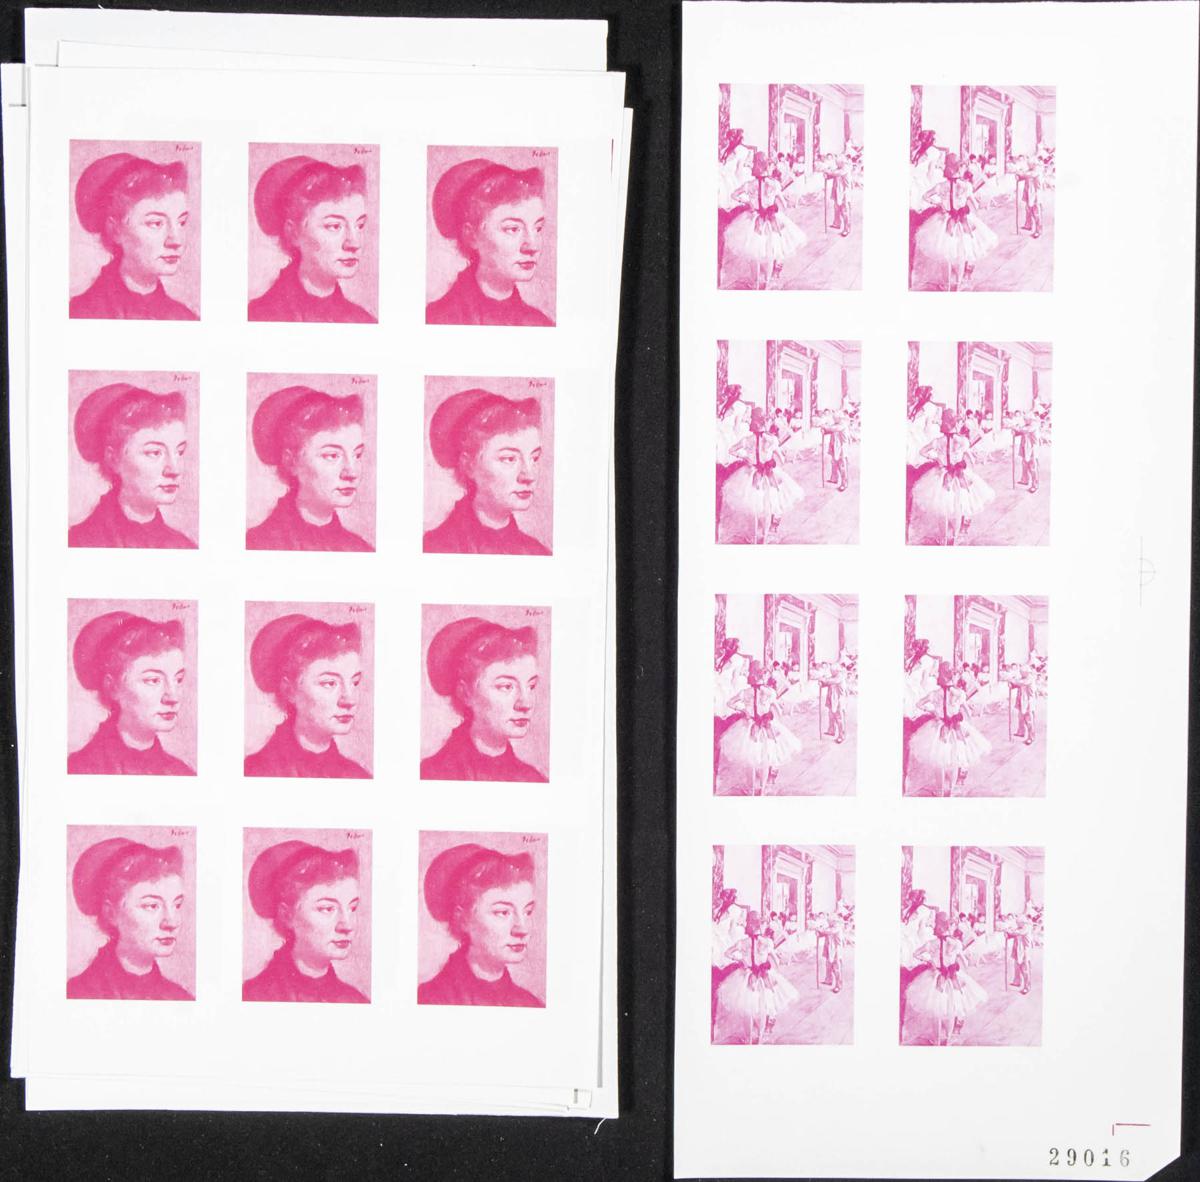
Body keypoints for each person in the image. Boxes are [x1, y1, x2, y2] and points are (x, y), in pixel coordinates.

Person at [426, 157, 553, 326]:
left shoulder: (540, 324)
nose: (533, 246)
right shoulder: (437, 318)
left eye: (538, 229)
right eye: (513, 229)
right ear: (471, 236)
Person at [70, 151, 198, 320]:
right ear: (115, 230)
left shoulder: (185, 318)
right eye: (156, 223)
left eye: (181, 222)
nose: (176, 240)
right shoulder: (80, 313)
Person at [248, 155, 375, 323]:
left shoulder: (363, 321)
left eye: (360, 225)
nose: (354, 243)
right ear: (293, 233)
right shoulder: (258, 315)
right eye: (334, 226)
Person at [68, 382, 196, 549]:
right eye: (154, 453)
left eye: (179, 452)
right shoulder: (79, 541)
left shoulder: (184, 546)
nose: (175, 470)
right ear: (113, 459)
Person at [423, 388, 549, 555]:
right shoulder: (435, 547)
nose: (529, 476)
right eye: (509, 459)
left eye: (534, 458)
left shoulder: (537, 552)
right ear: (468, 465)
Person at [420, 616, 547, 782]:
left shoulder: (533, 779)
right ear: (465, 694)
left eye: (531, 686)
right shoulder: (431, 774)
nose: (526, 703)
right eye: (506, 686)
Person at [418, 841, 544, 1007]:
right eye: (503, 912)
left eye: (528, 912)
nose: (523, 929)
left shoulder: (530, 1004)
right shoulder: (430, 998)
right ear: (462, 919)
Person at [246, 385, 371, 552]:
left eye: (357, 455)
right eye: (332, 455)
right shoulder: (257, 543)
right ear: (291, 462)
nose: (352, 473)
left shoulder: (360, 549)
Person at [244, 613, 370, 778]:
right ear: (289, 691)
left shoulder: (357, 776)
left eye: (355, 682)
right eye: (329, 683)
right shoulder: (255, 771)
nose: (350, 700)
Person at [68, 610, 194, 775]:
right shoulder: (79, 768)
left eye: (178, 680)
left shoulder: (181, 773)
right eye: (153, 680)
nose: (173, 697)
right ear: (112, 688)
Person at [242, 840, 368, 1002]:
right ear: (287, 916)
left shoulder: (355, 1000)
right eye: (327, 909)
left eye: (352, 908)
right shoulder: (254, 995)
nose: (347, 925)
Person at [67, 838, 193, 999]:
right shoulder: (79, 992)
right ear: (111, 914)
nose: (172, 922)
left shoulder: (180, 997)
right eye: (152, 906)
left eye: (177, 905)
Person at [914, 152, 999, 291]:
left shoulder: (940, 186)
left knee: (945, 254)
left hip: (944, 220)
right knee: (961, 254)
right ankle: (958, 286)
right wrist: (978, 202)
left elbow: (925, 196)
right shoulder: (967, 186)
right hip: (963, 220)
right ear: (959, 168)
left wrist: (939, 203)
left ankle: (947, 285)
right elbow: (976, 205)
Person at [911, 408, 995, 545]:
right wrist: (970, 459)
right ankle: (954, 540)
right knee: (958, 507)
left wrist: (936, 458)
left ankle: (943, 539)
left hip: (942, 474)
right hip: (959, 475)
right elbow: (970, 457)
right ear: (955, 423)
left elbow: (922, 451)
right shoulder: (963, 441)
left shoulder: (937, 441)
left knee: (942, 508)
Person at [719, 659, 803, 796]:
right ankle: (762, 790)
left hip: (749, 725)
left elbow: (729, 703)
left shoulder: (744, 692)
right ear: (762, 675)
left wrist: (743, 710)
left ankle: (751, 790)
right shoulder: (770, 692)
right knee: (765, 758)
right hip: (766, 726)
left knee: (750, 760)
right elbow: (777, 707)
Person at [725, 151, 807, 289]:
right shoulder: (774, 184)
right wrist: (778, 205)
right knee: (770, 252)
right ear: (766, 166)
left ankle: (756, 283)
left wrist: (747, 202)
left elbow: (733, 195)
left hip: (754, 218)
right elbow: (784, 204)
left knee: (753, 252)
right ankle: (767, 283)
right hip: (771, 219)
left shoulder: (749, 184)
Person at [723, 406, 805, 544]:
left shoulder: (747, 439)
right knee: (767, 506)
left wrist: (745, 456)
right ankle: (764, 537)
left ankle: (755, 537)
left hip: (752, 473)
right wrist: (779, 457)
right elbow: (781, 459)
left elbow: (731, 450)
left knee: (754, 506)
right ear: (764, 422)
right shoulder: (772, 439)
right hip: (767, 473)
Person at [716, 910, 799, 1044]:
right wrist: (773, 965)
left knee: (747, 1009)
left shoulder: (743, 942)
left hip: (747, 976)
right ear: (760, 925)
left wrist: (740, 959)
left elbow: (727, 953)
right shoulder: (767, 942)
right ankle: (759, 1039)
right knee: (763, 1008)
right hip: (764, 976)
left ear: (749, 925)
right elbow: (775, 959)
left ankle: (749, 1039)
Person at [911, 661, 992, 796]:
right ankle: (951, 790)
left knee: (939, 761)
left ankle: (940, 791)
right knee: (955, 759)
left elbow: (918, 704)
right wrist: (966, 718)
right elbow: (967, 711)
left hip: (939, 727)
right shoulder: (960, 693)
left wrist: (932, 711)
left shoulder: (934, 694)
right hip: (956, 728)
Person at [908, 910, 989, 1045]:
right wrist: (957, 962)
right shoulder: (956, 943)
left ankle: (937, 1040)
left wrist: (929, 961)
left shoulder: (931, 943)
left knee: (936, 1011)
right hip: (952, 977)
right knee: (951, 1009)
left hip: (936, 976)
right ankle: (948, 1039)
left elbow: (915, 953)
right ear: (948, 926)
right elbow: (965, 961)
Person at [713, 637, 746, 786]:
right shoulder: (729, 659)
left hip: (721, 692)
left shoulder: (731, 659)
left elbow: (732, 680)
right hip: (720, 692)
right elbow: (731, 680)